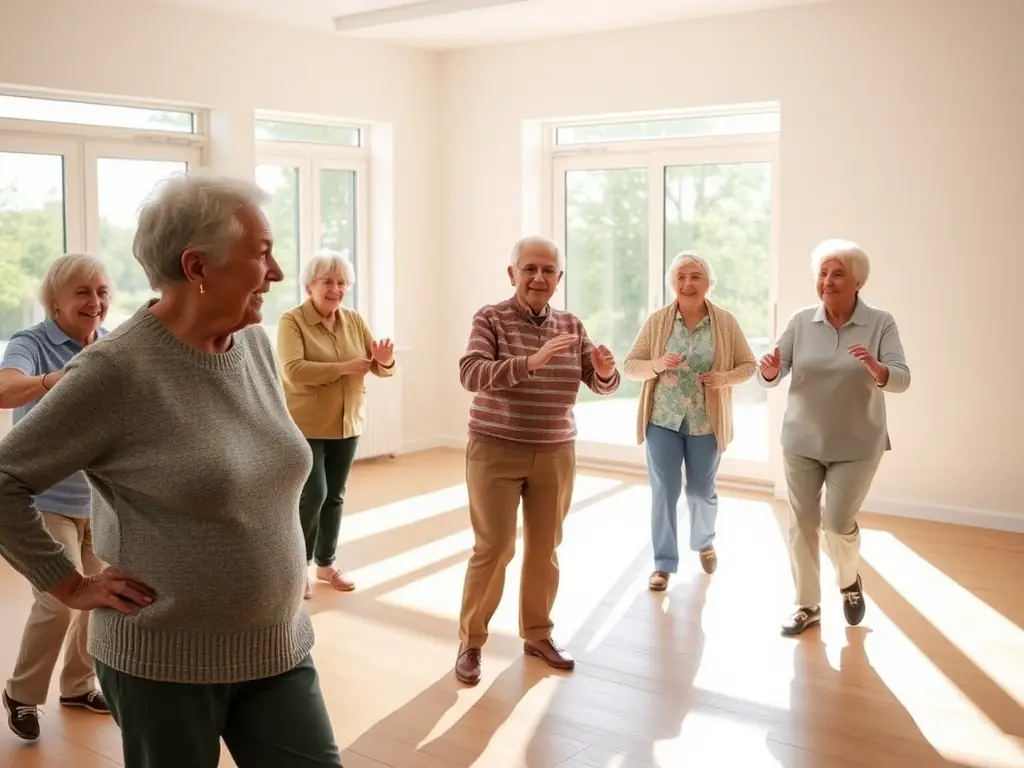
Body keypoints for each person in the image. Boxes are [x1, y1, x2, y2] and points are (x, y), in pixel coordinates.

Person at [0, 173, 342, 767]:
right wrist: (71, 584)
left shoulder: (254, 346)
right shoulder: (116, 370)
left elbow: (264, 475)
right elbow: (5, 480)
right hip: (165, 659)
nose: (278, 273)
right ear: (197, 267)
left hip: (279, 643)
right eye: (261, 254)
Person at [453, 234, 620, 687]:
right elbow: (470, 373)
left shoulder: (572, 325)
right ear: (513, 274)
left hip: (555, 450)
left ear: (559, 278)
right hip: (495, 448)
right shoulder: (490, 318)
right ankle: (470, 642)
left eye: (548, 270)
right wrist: (529, 362)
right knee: (495, 547)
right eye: (529, 268)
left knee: (545, 549)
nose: (538, 277)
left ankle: (538, 635)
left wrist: (605, 372)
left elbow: (600, 382)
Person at [757, 238, 910, 637]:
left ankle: (848, 580)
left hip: (858, 443)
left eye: (837, 273)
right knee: (802, 523)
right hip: (802, 440)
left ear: (858, 281)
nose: (827, 280)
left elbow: (902, 378)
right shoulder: (801, 321)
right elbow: (771, 373)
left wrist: (878, 369)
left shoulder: (881, 323)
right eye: (822, 273)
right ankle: (807, 605)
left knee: (838, 523)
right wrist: (771, 370)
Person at [0, 253, 112, 741]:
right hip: (42, 499)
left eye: (103, 291)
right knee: (61, 600)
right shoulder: (32, 343)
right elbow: (5, 391)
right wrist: (54, 381)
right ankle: (22, 695)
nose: (96, 302)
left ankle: (78, 685)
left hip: (101, 501)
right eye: (83, 292)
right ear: (56, 301)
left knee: (102, 597)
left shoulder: (110, 347)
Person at [624, 251, 756, 591]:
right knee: (664, 492)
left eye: (695, 276)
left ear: (708, 283)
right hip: (662, 421)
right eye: (681, 277)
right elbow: (631, 365)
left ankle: (704, 540)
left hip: (705, 423)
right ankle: (663, 564)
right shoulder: (657, 322)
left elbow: (749, 366)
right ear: (673, 283)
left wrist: (723, 378)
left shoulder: (725, 323)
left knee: (700, 491)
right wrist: (657, 363)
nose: (688, 283)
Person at [277, 250, 395, 598]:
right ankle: (297, 569)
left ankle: (326, 565)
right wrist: (343, 368)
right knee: (313, 494)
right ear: (309, 285)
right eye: (327, 281)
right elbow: (293, 371)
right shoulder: (291, 321)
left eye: (341, 282)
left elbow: (376, 365)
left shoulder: (354, 320)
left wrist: (384, 362)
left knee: (336, 496)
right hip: (306, 423)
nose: (335, 288)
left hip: (348, 421)